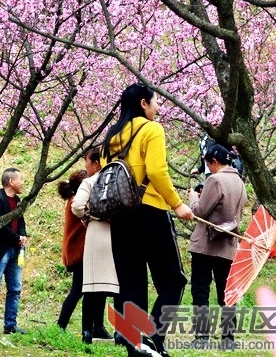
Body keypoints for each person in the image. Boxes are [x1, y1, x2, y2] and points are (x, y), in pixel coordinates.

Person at [105, 83, 193, 357]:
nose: (158, 108)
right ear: (144, 104)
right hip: (150, 211)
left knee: (131, 285)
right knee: (173, 280)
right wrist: (177, 204)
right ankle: (156, 335)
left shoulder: (112, 135)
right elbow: (156, 170)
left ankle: (136, 348)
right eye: (156, 103)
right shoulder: (152, 129)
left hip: (120, 216)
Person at [187, 144, 246, 349]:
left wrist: (194, 199)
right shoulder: (240, 181)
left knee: (201, 289)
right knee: (226, 292)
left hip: (206, 245)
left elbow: (200, 212)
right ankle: (228, 338)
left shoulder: (215, 179)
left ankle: (202, 336)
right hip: (228, 245)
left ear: (214, 161)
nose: (207, 168)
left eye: (207, 164)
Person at [71, 147, 116, 344]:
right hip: (116, 235)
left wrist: (88, 216)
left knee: (90, 286)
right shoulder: (116, 181)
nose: (85, 167)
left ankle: (87, 332)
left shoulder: (89, 182)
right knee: (113, 286)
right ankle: (121, 333)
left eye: (87, 162)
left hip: (96, 233)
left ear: (96, 163)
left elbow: (77, 206)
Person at [0, 168, 29, 335]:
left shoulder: (18, 200)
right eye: (21, 179)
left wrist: (22, 235)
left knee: (15, 289)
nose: (23, 182)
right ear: (11, 181)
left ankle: (10, 326)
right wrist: (16, 237)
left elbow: (20, 220)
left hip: (15, 250)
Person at [56, 169, 88, 336]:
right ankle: (60, 326)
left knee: (80, 291)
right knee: (78, 291)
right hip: (79, 252)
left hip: (76, 251)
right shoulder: (77, 202)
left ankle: (61, 326)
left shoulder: (72, 200)